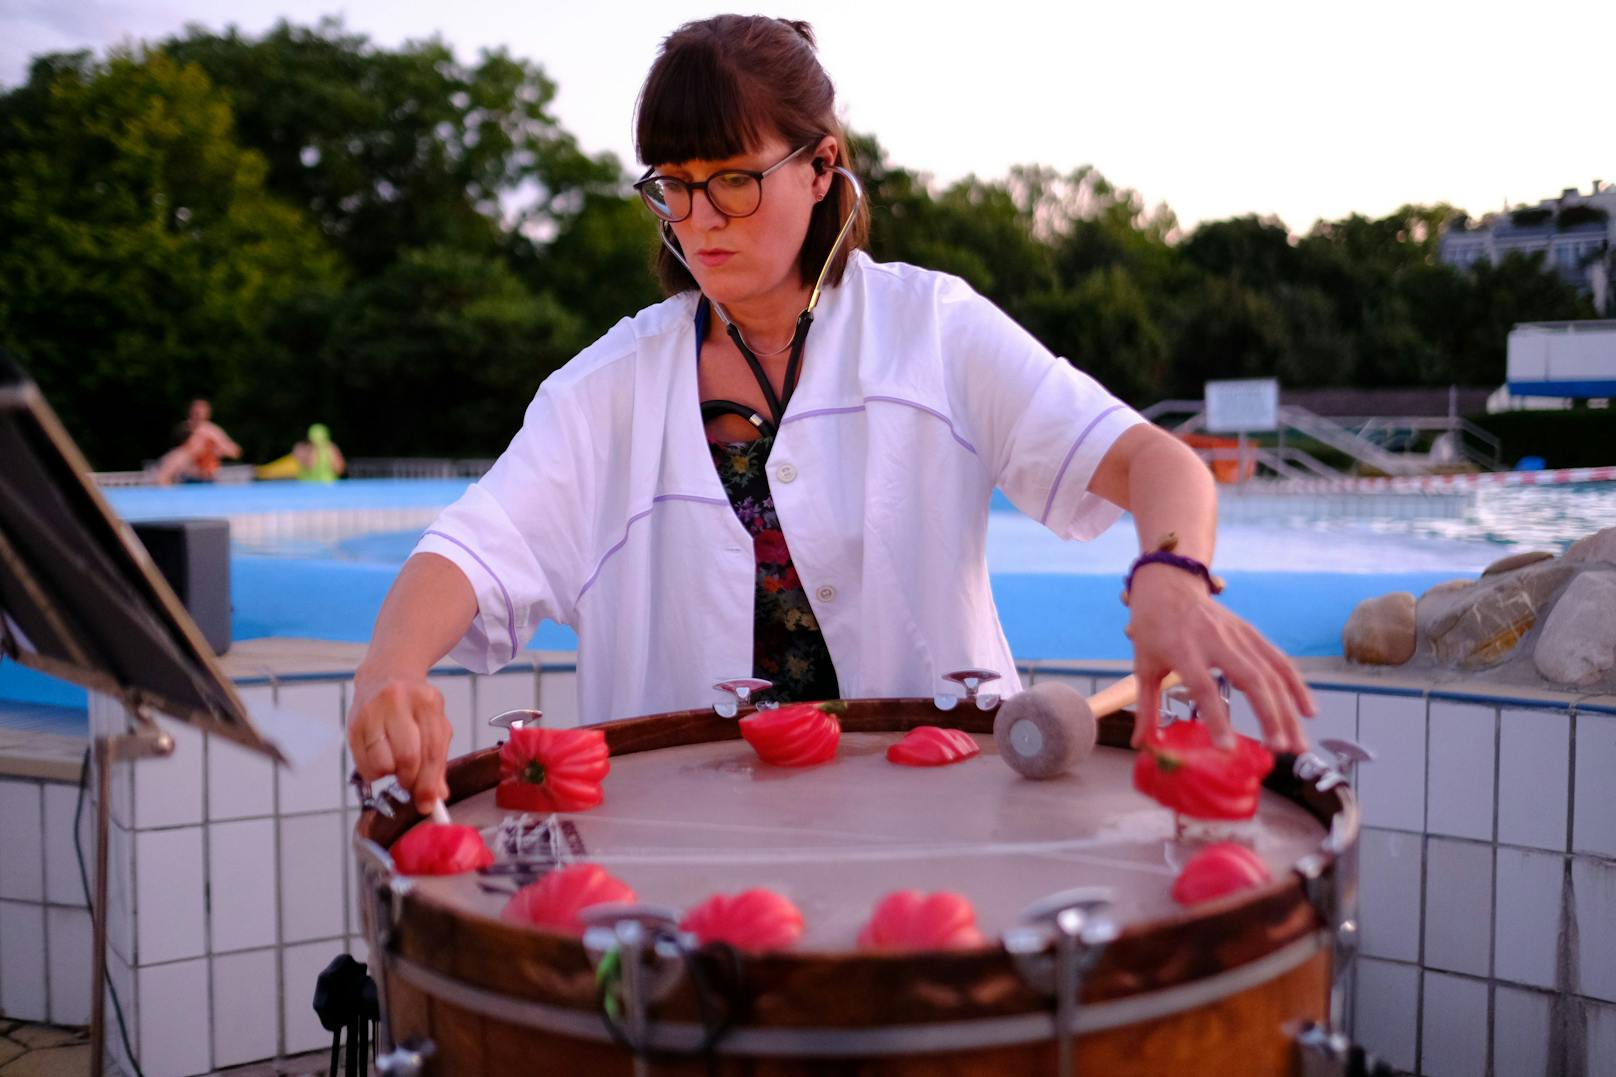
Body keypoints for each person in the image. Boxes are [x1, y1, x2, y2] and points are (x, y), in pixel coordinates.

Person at [348, 15, 1314, 812]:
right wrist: (391, 670)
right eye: (673, 187)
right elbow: (472, 545)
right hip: (684, 840)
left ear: (821, 168)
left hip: (946, 815)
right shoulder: (610, 387)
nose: (701, 219)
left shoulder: (929, 328)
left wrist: (1173, 576)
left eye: (733, 176)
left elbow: (1154, 461)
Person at [151, 398, 241, 484]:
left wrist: (218, 448)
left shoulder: (212, 431)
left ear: (208, 414)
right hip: (185, 475)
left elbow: (235, 452)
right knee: (179, 457)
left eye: (200, 412)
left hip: (205, 477)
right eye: (195, 412)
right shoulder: (184, 431)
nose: (197, 415)